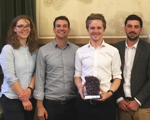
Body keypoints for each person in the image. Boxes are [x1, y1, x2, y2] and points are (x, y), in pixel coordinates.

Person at [74, 13, 122, 120]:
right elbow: (77, 75)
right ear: (87, 29)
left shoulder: (113, 51)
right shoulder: (80, 51)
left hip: (106, 102)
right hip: (84, 102)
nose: (95, 31)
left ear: (104, 29)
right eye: (92, 28)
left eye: (99, 28)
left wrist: (109, 94)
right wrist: (80, 87)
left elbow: (117, 77)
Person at [34, 16, 79, 120]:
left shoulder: (77, 51)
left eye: (65, 26)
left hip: (73, 104)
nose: (61, 28)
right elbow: (39, 79)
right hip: (51, 104)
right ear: (54, 29)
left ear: (69, 30)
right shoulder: (43, 51)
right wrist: (39, 106)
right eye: (58, 26)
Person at [0, 15, 38, 120]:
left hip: (30, 97)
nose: (24, 29)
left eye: (27, 26)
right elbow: (10, 76)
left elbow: (36, 73)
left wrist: (30, 89)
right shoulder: (8, 49)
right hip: (12, 99)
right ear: (14, 29)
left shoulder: (34, 50)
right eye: (20, 26)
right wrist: (24, 98)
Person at [115, 14, 150, 120]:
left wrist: (138, 101)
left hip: (143, 107)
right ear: (125, 28)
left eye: (136, 27)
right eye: (129, 26)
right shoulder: (115, 49)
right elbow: (111, 76)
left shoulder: (148, 49)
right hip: (122, 106)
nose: (132, 30)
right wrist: (119, 99)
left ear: (141, 29)